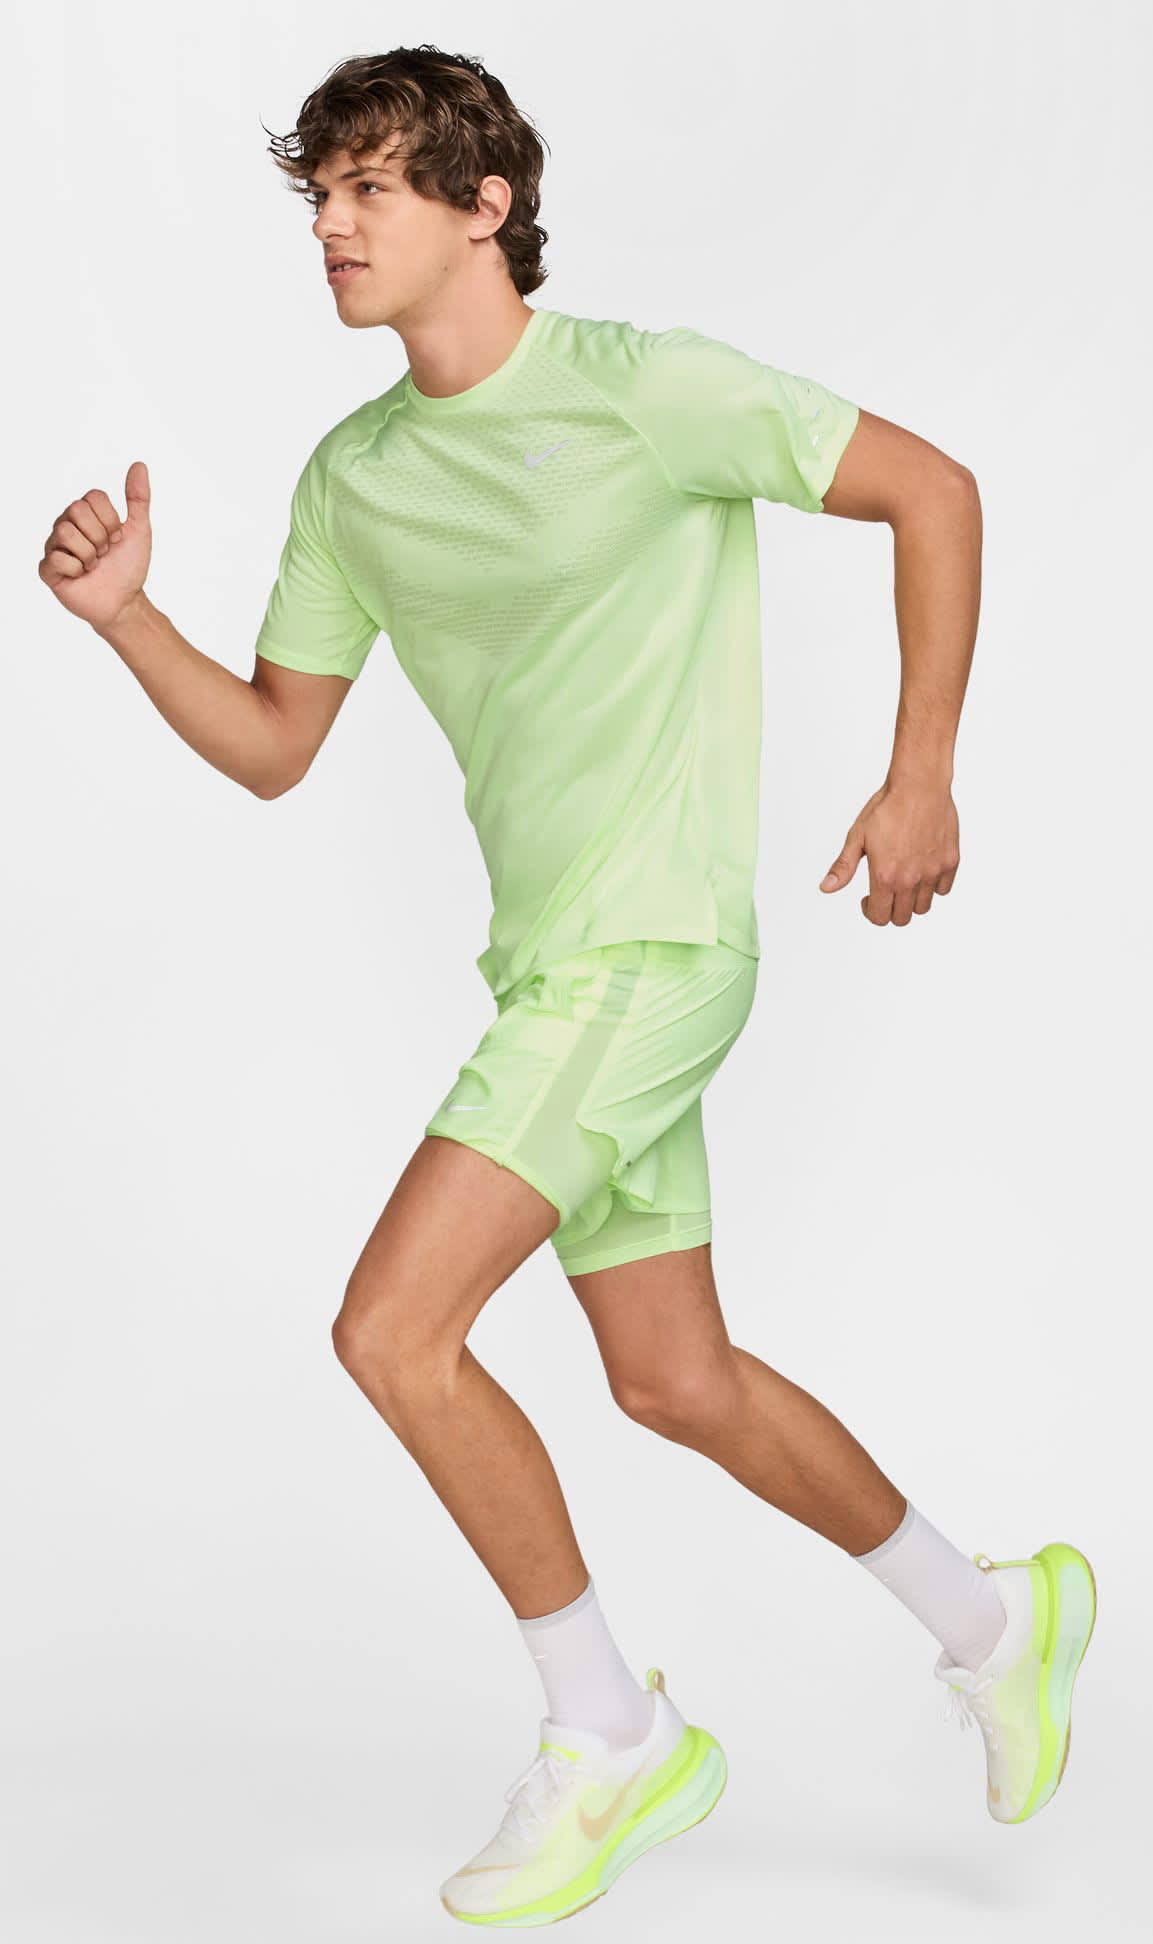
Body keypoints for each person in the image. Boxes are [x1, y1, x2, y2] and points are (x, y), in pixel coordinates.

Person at [38, 41, 1096, 1930]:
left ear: (485, 206)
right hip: (549, 963)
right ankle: (991, 1617)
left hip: (656, 947)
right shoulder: (356, 478)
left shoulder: (641, 388)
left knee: (393, 1332)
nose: (331, 224)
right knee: (674, 1379)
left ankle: (609, 1733)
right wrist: (130, 625)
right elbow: (276, 743)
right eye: (318, 194)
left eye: (369, 188)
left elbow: (931, 491)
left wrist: (920, 770)